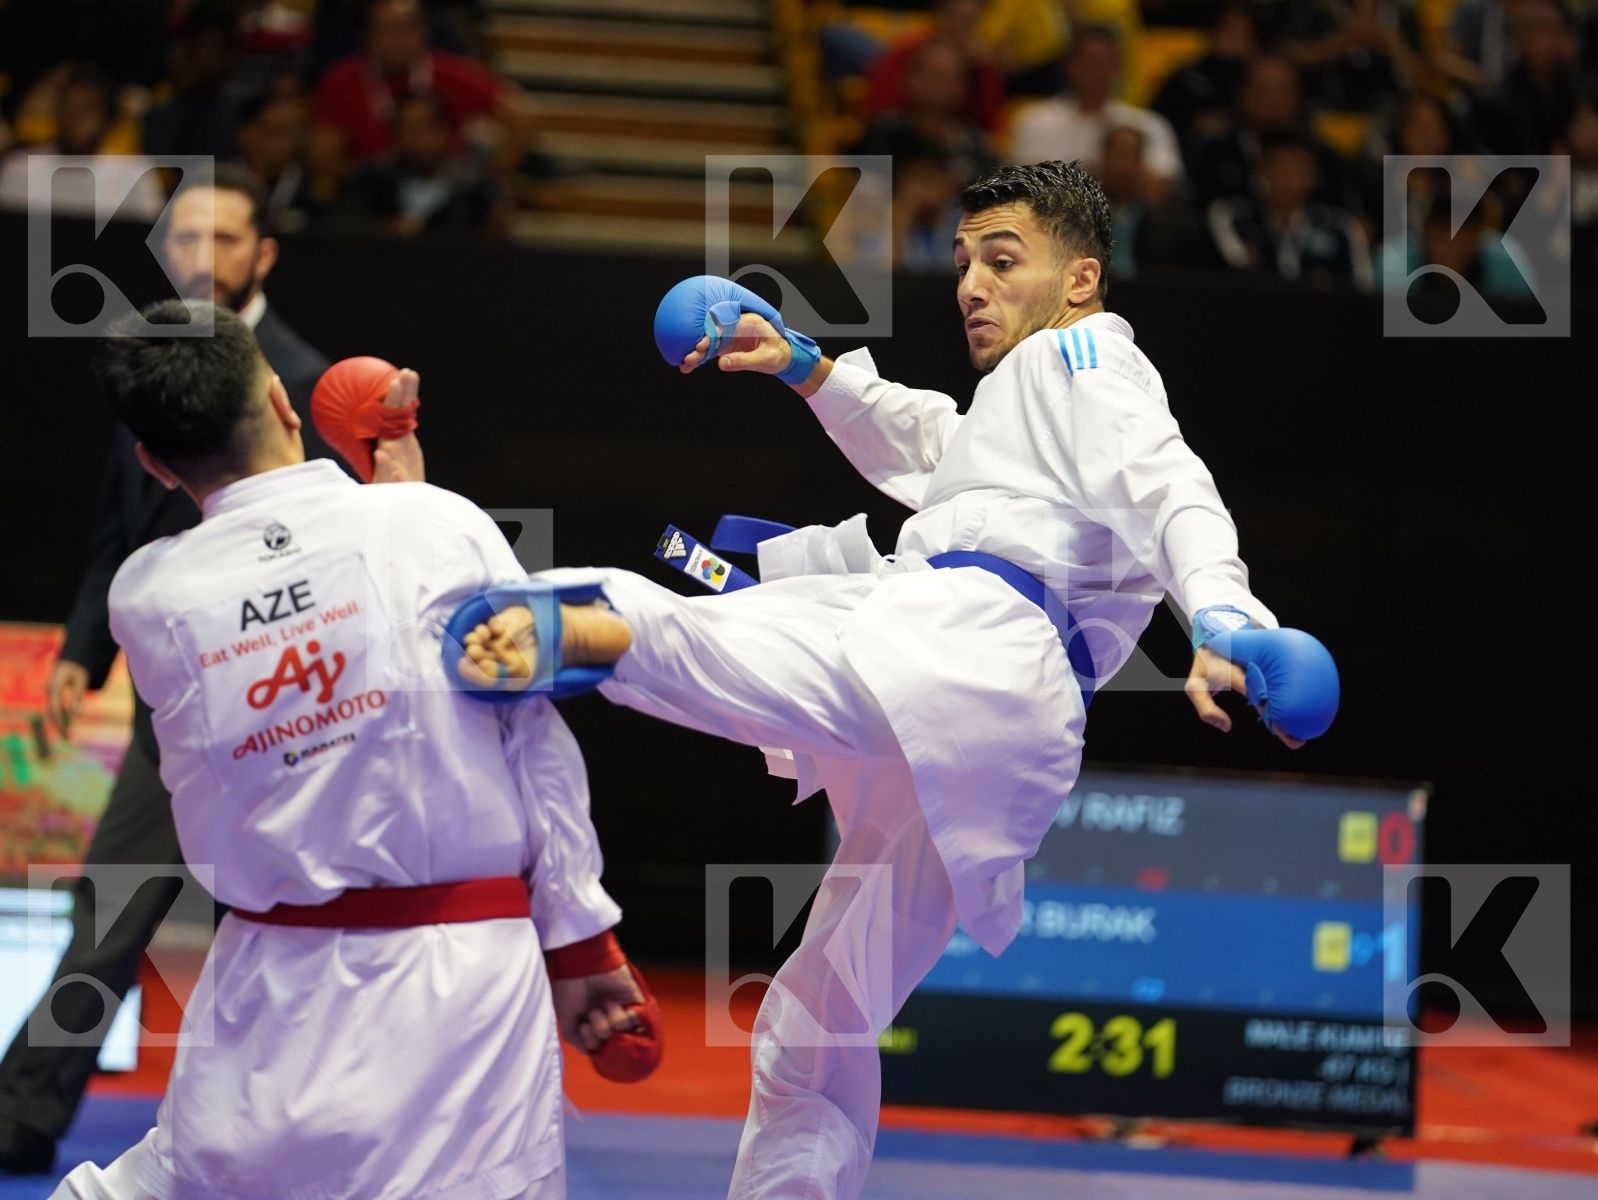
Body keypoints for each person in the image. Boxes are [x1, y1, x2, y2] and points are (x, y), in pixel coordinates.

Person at [458, 160, 1325, 1200]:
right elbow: (942, 448)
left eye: (1002, 261)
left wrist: (1225, 613)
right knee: (818, 1017)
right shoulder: (1027, 411)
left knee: (688, 637)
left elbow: (1169, 482)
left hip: (961, 645)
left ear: (1081, 280)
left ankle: (561, 624)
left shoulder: (1088, 359)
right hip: (991, 724)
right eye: (962, 262)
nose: (969, 284)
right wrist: (808, 369)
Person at [50, 301, 645, 1199]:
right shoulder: (432, 525)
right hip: (461, 987)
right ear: (286, 406)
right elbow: (532, 740)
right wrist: (582, 942)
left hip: (263, 984)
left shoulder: (149, 596)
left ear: (155, 466)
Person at [0, 165, 338, 1177]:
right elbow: (120, 525)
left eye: (223, 239)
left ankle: (307, 1129)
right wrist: (79, 652)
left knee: (293, 923)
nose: (200, 257)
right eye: (183, 239)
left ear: (261, 254)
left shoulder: (302, 381)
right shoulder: (156, 365)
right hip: (171, 713)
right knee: (105, 913)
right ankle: (22, 1112)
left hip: (291, 706)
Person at [1008, 26, 1184, 202]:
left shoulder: (1148, 124)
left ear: (1119, 69)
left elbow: (1162, 187)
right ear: (1070, 66)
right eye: (1089, 63)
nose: (1097, 72)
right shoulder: (1037, 121)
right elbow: (1023, 186)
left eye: (1105, 63)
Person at [1208, 131, 1374, 290]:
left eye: (1297, 171)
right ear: (1260, 171)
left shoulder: (1341, 227)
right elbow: (1240, 269)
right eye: (1279, 170)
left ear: (1314, 176)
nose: (1288, 180)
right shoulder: (1233, 215)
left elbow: (1362, 286)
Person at [0, 64, 164, 220]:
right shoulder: (20, 168)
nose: (75, 118)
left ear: (108, 119)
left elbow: (153, 238)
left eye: (87, 110)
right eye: (67, 107)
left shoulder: (134, 172)